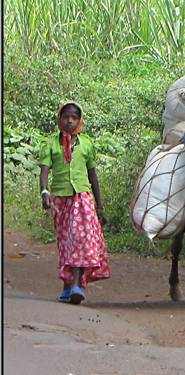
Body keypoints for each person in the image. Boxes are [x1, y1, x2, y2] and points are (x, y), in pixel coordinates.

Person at [38, 102, 111, 304]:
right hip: (60, 200)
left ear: (80, 121)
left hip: (83, 196)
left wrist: (99, 206)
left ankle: (77, 285)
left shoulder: (87, 144)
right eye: (66, 117)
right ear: (60, 119)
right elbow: (44, 171)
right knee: (67, 242)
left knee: (81, 238)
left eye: (74, 118)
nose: (70, 121)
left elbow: (93, 176)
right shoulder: (50, 144)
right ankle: (67, 286)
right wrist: (45, 192)